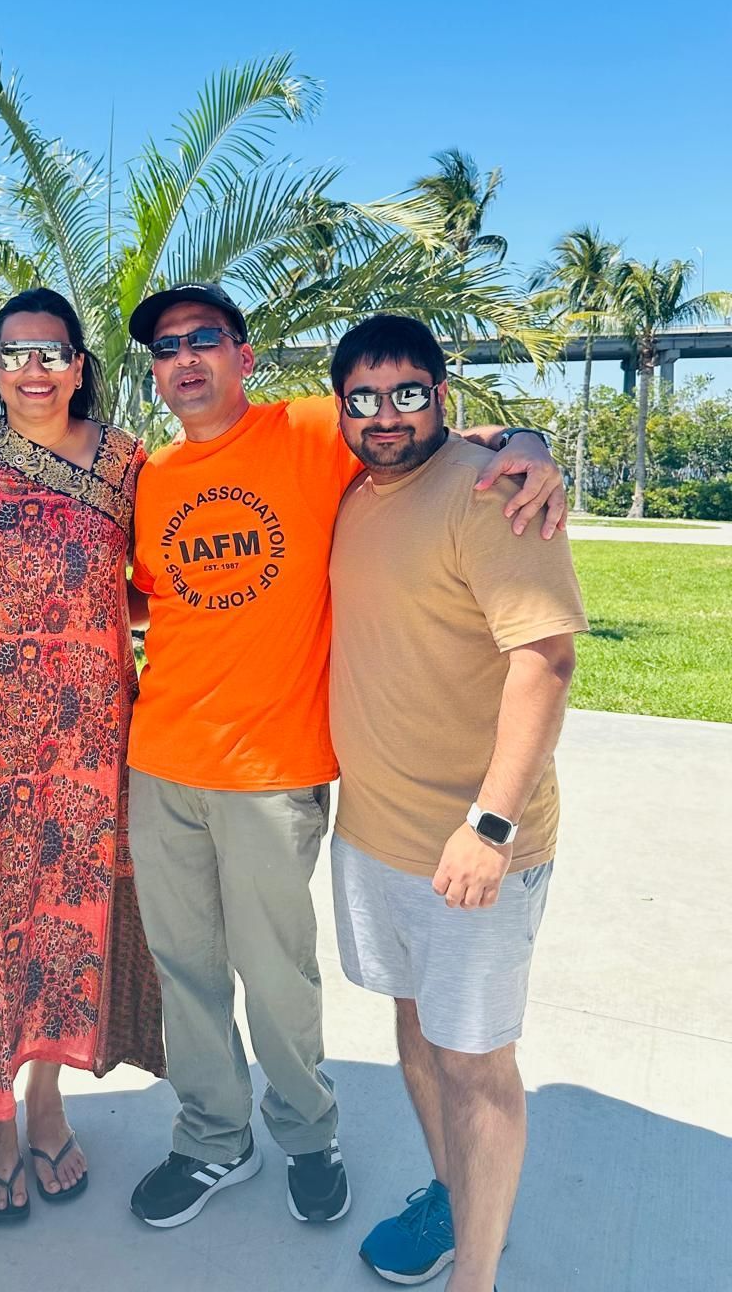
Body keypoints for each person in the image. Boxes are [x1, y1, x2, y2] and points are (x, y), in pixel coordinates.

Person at [123, 282, 567, 1232]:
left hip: (272, 768)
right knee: (185, 968)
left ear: (245, 356)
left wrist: (527, 443)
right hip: (161, 758)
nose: (187, 358)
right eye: (167, 347)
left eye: (206, 338)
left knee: (277, 972)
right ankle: (212, 1138)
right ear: (154, 372)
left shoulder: (315, 429)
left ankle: (309, 1131)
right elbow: (151, 598)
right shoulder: (150, 474)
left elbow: (429, 422)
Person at [327, 314, 587, 1292]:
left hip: (474, 845)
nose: (386, 413)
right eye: (365, 396)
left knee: (476, 1061)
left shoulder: (492, 497)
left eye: (408, 392)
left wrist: (491, 823)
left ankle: (475, 1276)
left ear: (444, 395)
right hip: (376, 835)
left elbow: (545, 658)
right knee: (417, 1029)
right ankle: (450, 1193)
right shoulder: (356, 491)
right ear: (341, 406)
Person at [0, 287, 164, 1223]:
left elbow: (162, 581)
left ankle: (49, 1100)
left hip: (91, 733)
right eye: (16, 351)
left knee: (75, 914)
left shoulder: (123, 461)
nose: (34, 368)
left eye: (53, 351)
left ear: (80, 366)